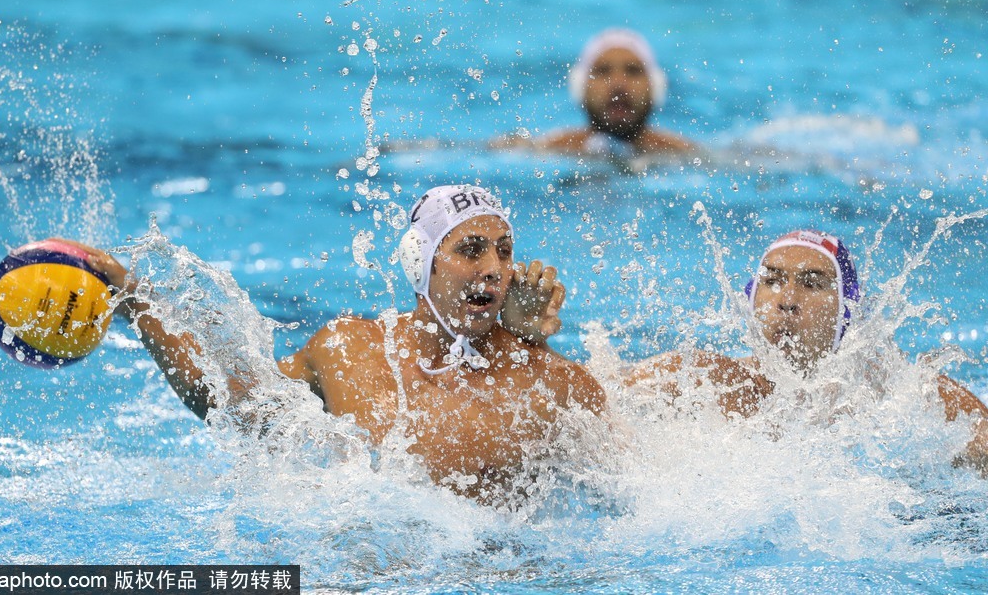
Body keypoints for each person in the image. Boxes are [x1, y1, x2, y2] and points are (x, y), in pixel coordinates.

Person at [65, 184, 606, 504]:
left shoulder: (544, 378)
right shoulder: (349, 351)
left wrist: (524, 342)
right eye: (471, 249)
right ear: (421, 263)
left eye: (504, 251)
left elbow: (619, 473)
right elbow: (234, 404)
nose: (493, 269)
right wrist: (133, 295)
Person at [628, 229, 988, 473]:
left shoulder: (906, 394)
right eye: (771, 281)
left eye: (812, 284)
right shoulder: (707, 381)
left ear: (848, 308)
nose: (786, 301)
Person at [495, 27, 696, 165]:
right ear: (580, 87)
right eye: (602, 71)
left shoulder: (689, 156)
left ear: (655, 88)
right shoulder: (541, 150)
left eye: (633, 71)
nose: (618, 85)